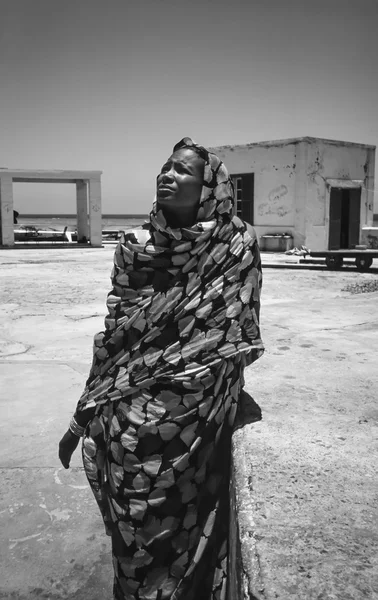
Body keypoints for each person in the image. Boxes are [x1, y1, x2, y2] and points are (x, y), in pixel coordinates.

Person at [59, 137, 264, 600]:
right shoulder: (135, 246)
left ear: (210, 186)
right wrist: (90, 403)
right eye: (166, 167)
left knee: (176, 497)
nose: (167, 175)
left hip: (198, 395)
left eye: (183, 170)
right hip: (135, 386)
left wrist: (185, 375)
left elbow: (234, 329)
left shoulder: (236, 245)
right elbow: (117, 333)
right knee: (122, 457)